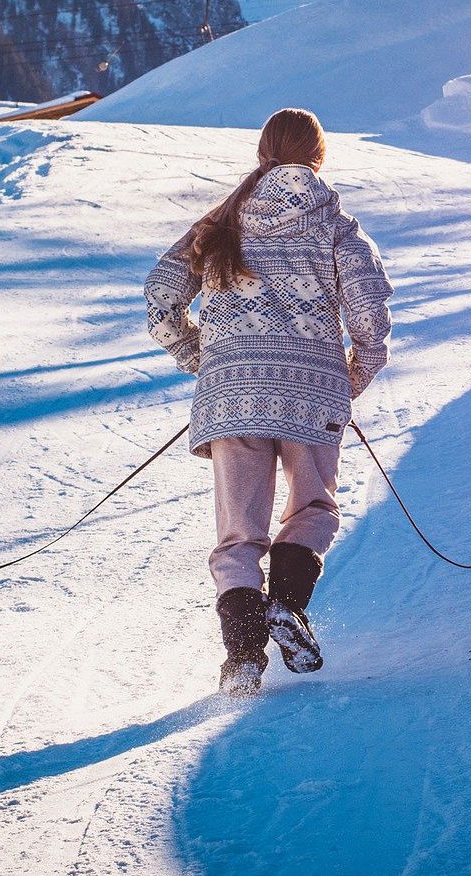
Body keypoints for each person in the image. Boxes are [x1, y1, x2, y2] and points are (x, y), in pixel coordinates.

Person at [143, 108, 392, 697]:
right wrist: (352, 376)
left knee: (239, 532)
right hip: (312, 393)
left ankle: (243, 658)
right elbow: (369, 315)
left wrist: (202, 359)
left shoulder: (220, 222)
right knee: (312, 508)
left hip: (232, 398)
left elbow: (160, 296)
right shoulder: (337, 223)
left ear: (262, 154)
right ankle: (286, 605)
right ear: (318, 156)